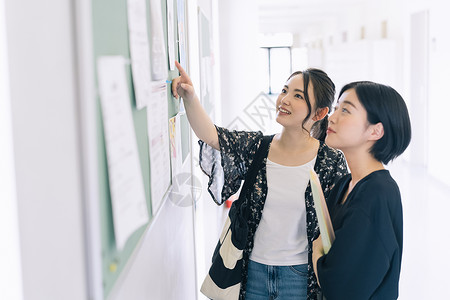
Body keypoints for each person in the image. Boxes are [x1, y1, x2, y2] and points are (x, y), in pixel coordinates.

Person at [172, 61, 348, 300]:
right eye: (285, 90)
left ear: (319, 113)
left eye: (298, 96)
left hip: (299, 277)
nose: (284, 99)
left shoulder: (330, 160)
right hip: (252, 270)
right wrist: (189, 97)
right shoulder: (259, 147)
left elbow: (337, 222)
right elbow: (213, 136)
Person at [312, 81, 412, 300]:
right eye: (337, 108)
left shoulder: (377, 194)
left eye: (346, 110)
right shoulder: (345, 184)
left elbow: (340, 288)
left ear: (376, 130)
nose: (332, 117)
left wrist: (317, 253)